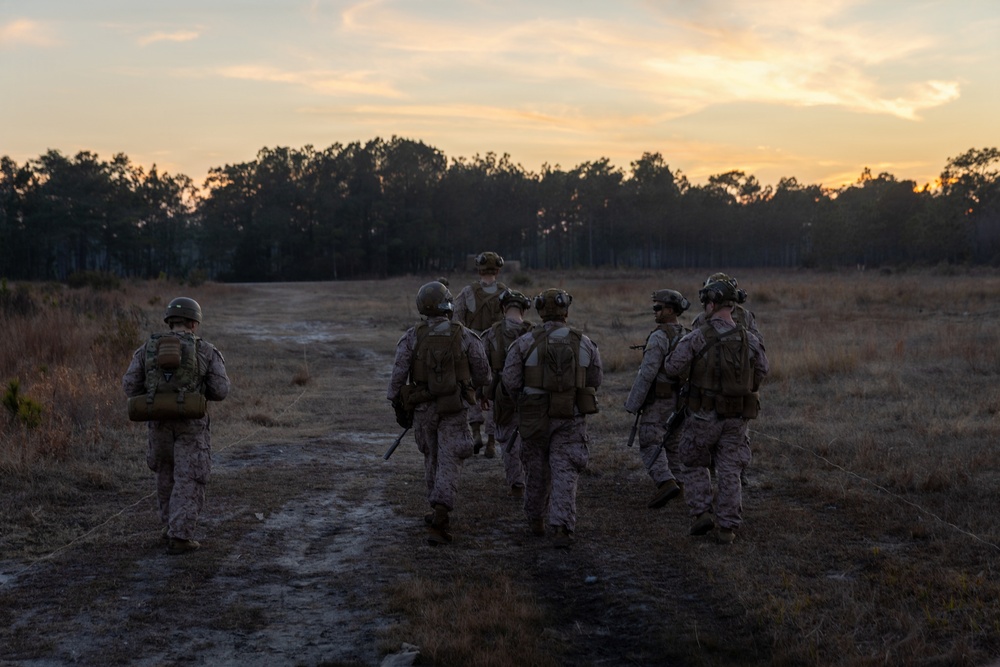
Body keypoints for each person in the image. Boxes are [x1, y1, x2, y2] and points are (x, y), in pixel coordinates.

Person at [122, 297, 231, 555]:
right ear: (194, 323)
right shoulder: (205, 350)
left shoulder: (147, 348)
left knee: (165, 475)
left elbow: (129, 386)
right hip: (191, 425)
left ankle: (168, 527)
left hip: (158, 424)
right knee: (190, 477)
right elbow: (221, 389)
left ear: (169, 321)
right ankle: (180, 536)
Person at [663, 280, 768, 544]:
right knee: (730, 468)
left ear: (711, 304)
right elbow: (763, 370)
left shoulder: (698, 335)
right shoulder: (750, 338)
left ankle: (701, 513)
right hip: (736, 417)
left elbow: (673, 367)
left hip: (703, 415)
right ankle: (727, 528)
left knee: (693, 460)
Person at [387, 281, 491, 545]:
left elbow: (397, 378)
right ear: (448, 305)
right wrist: (472, 389)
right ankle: (441, 512)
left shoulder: (412, 336)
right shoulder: (466, 335)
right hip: (454, 408)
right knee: (450, 457)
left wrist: (399, 403)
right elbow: (483, 373)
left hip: (423, 409)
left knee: (432, 456)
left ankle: (436, 506)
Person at [501, 288, 602, 548]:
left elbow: (510, 381)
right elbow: (595, 380)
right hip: (571, 416)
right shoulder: (585, 342)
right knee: (565, 470)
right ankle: (561, 527)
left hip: (534, 417)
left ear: (539, 311)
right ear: (566, 311)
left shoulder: (524, 342)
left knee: (535, 470)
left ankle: (536, 520)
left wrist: (523, 402)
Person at [690, 272, 763, 487]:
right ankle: (737, 474)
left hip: (709, 388)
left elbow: (691, 354)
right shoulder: (746, 317)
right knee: (739, 433)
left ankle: (713, 472)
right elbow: (759, 348)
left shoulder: (703, 319)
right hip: (740, 385)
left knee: (708, 432)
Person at [624, 289, 690, 509]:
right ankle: (679, 483)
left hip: (659, 400)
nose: (655, 311)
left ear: (670, 310)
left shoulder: (660, 336)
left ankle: (665, 481)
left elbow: (647, 372)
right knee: (673, 442)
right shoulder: (687, 334)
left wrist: (633, 404)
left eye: (658, 307)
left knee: (650, 439)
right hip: (682, 401)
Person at [480, 289, 533, 499]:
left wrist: (483, 394)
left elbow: (482, 368)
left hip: (501, 393)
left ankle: (517, 484)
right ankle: (533, 481)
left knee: (507, 441)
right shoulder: (534, 333)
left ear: (503, 308)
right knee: (532, 439)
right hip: (532, 394)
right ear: (524, 310)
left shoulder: (491, 334)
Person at [453, 251, 508, 456]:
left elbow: (457, 320)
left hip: (473, 346)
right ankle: (492, 442)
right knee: (494, 393)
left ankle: (476, 433)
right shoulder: (506, 293)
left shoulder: (468, 292)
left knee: (472, 389)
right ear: (498, 270)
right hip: (498, 348)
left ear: (479, 269)